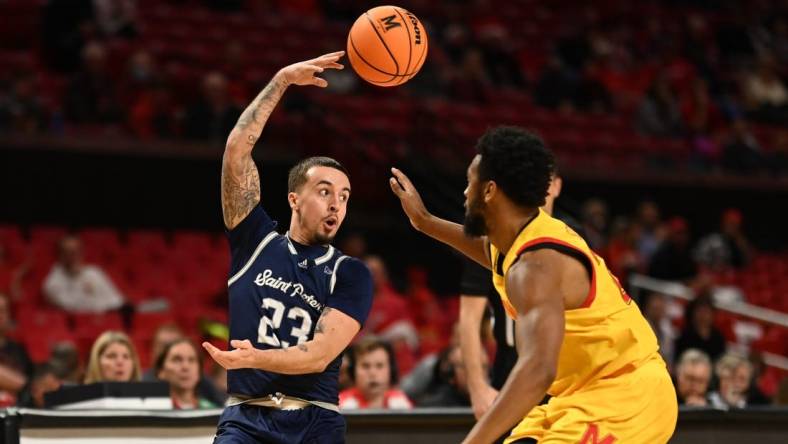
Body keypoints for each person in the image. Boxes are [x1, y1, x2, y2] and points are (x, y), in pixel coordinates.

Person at [389, 126, 677, 443]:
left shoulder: (536, 267)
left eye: (469, 183)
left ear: (489, 191)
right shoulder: (517, 240)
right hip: (577, 398)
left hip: (628, 397)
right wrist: (424, 221)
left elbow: (539, 369)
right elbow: (485, 249)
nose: (464, 193)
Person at [201, 51, 374, 444]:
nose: (336, 204)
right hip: (246, 419)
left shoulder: (350, 273)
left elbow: (318, 355)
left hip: (316, 422)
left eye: (344, 197)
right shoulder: (255, 241)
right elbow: (236, 153)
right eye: (325, 191)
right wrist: (280, 81)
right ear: (295, 199)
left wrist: (253, 357)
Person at [458, 172, 563, 421]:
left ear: (557, 186)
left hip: (565, 377)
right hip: (511, 370)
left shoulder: (573, 237)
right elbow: (469, 319)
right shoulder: (493, 239)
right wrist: (477, 387)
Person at [42, 234, 125, 313]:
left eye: (76, 251)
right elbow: (72, 308)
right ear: (60, 255)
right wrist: (76, 278)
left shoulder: (95, 273)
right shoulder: (52, 283)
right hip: (80, 324)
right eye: (68, 252)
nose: (73, 256)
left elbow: (116, 300)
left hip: (107, 318)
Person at [338, 337, 412, 410]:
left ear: (391, 370)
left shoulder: (401, 403)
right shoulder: (341, 405)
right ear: (353, 371)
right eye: (365, 366)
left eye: (379, 366)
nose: (372, 373)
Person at [155, 338, 217, 409]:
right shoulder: (151, 410)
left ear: (199, 372)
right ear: (161, 371)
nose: (185, 367)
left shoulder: (212, 411)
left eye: (191, 360)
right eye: (177, 359)